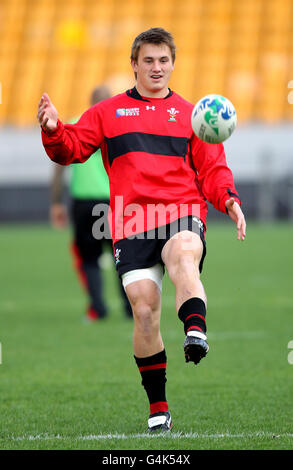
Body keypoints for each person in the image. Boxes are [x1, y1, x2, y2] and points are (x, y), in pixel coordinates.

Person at [37, 27, 246, 433]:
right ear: (133, 65)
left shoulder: (192, 114)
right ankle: (159, 407)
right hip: (131, 221)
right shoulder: (107, 113)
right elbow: (72, 148)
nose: (156, 67)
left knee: (185, 254)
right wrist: (51, 129)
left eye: (163, 60)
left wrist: (230, 201)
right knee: (144, 309)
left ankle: (195, 331)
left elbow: (214, 170)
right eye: (148, 60)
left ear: (172, 64)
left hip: (182, 209)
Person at [50, 86, 133, 321]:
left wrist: (56, 202)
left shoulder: (75, 124)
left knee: (89, 259)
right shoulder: (121, 127)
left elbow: (58, 166)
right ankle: (130, 308)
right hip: (115, 202)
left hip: (84, 204)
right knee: (123, 256)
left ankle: (98, 308)